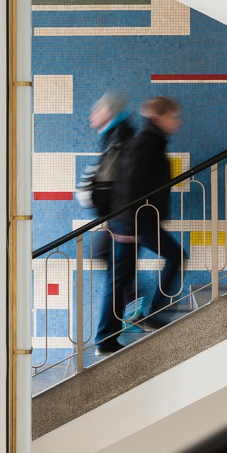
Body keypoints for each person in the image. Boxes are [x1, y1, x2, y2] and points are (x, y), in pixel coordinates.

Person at [100, 96, 187, 351]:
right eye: (174, 116)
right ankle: (107, 338)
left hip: (138, 223)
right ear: (159, 116)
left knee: (122, 279)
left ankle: (142, 319)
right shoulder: (146, 144)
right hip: (133, 224)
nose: (177, 122)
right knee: (119, 280)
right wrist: (128, 228)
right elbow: (127, 186)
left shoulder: (152, 142)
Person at [84, 91, 136, 356]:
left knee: (115, 279)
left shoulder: (119, 138)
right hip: (118, 220)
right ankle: (134, 299)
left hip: (122, 221)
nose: (93, 114)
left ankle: (106, 338)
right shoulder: (113, 137)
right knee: (109, 263)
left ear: (111, 111)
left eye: (98, 109)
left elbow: (108, 183)